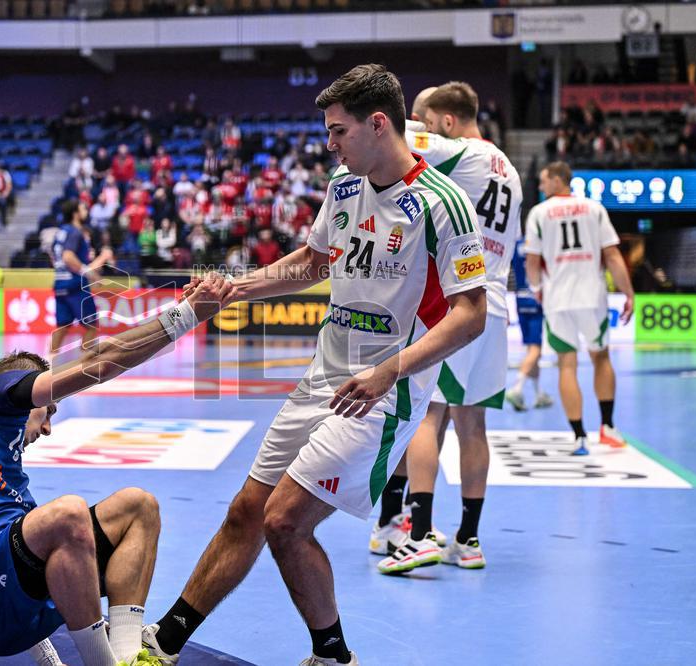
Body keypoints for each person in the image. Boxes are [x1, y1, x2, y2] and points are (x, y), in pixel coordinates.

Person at [143, 64, 488, 666]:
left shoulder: (443, 204)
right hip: (323, 373)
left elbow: (471, 315)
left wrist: (390, 371)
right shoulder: (344, 186)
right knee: (247, 511)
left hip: (385, 390)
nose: (328, 143)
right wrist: (236, 287)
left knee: (283, 521)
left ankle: (333, 657)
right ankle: (166, 642)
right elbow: (311, 261)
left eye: (338, 131)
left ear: (378, 124)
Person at [0, 274, 234, 666]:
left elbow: (23, 576)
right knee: (68, 514)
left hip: (9, 609)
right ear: (23, 389)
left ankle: (128, 658)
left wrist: (49, 661)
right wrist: (187, 314)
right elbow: (99, 363)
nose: (48, 427)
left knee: (139, 507)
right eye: (48, 411)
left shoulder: (9, 484)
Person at [369, 81, 524, 573]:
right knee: (473, 424)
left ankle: (417, 532)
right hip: (496, 306)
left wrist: (395, 118)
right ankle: (469, 538)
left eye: (430, 121)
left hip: (461, 304)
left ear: (448, 122)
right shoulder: (513, 172)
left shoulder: (461, 152)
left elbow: (395, 139)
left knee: (426, 416)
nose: (427, 130)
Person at [525, 161, 635, 456]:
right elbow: (612, 255)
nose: (540, 186)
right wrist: (628, 293)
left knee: (567, 364)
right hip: (592, 297)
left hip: (558, 300)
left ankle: (578, 437)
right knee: (601, 357)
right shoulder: (594, 208)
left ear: (559, 180)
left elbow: (532, 262)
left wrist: (537, 290)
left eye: (544, 180)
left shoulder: (538, 213)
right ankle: (608, 427)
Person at [50, 200, 115, 355]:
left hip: (60, 283)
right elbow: (67, 256)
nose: (86, 210)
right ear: (75, 213)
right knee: (92, 326)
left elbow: (55, 256)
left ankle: (48, 362)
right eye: (83, 208)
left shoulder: (60, 232)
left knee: (63, 326)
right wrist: (88, 271)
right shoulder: (75, 232)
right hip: (75, 285)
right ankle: (82, 366)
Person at [504, 235, 553, 411]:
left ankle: (539, 393)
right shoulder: (541, 243)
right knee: (536, 349)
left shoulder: (516, 243)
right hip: (536, 297)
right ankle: (516, 388)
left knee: (532, 349)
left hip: (520, 297)